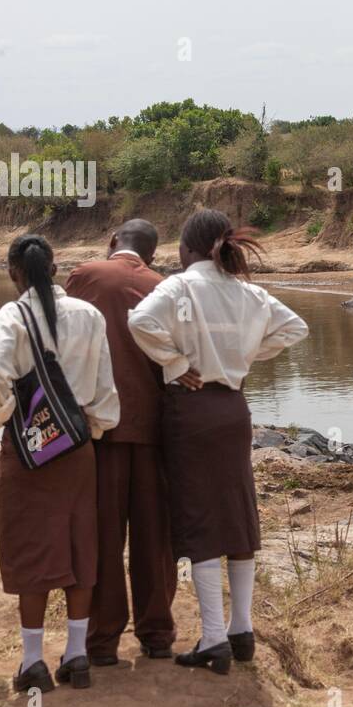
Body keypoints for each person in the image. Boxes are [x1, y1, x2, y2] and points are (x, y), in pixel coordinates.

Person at [128, 209, 307, 674]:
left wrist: (173, 362)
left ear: (188, 249)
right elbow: (295, 328)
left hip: (191, 409)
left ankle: (212, 640)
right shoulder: (248, 292)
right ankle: (240, 630)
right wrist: (244, 356)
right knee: (237, 515)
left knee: (200, 519)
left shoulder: (181, 285)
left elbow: (140, 321)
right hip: (234, 409)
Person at [0, 235, 119, 691]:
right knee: (80, 546)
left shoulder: (12, 314)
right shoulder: (90, 315)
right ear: (53, 269)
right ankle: (76, 656)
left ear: (16, 273)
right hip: (78, 453)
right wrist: (89, 430)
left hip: (27, 453)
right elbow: (105, 391)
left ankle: (32, 661)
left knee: (30, 548)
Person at [64, 220, 177, 663]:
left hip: (99, 431)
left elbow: (66, 345)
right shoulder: (164, 287)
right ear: (152, 253)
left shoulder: (84, 275)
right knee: (154, 538)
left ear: (112, 241)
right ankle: (156, 634)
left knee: (102, 538)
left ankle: (103, 639)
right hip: (153, 428)